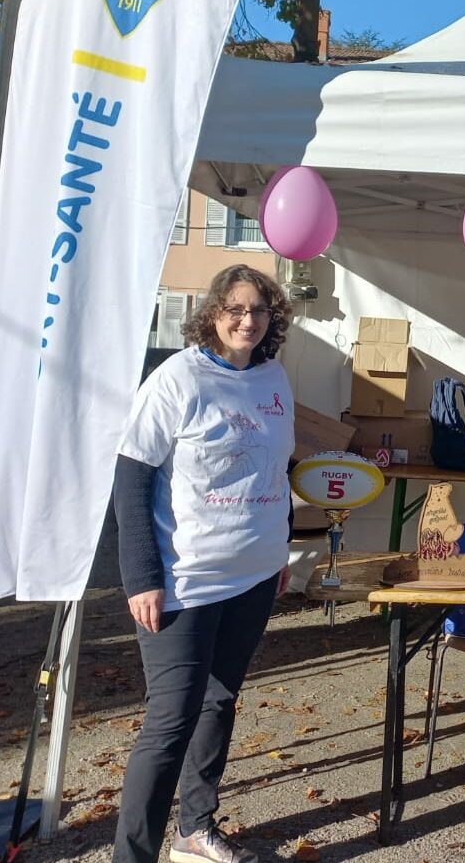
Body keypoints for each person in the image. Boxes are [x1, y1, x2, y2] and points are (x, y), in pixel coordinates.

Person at [112, 264, 296, 863]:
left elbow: (276, 470)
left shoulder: (274, 379)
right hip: (186, 580)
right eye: (235, 308)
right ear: (212, 312)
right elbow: (132, 477)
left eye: (260, 310)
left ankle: (195, 830)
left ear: (273, 319)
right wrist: (141, 575)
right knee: (170, 722)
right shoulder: (178, 378)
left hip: (257, 573)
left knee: (219, 702)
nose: (247, 320)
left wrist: (281, 548)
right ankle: (131, 856)